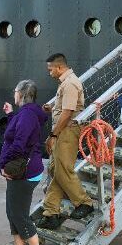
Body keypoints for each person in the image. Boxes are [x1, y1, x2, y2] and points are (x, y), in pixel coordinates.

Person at [0, 80, 48, 245]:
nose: (13, 93)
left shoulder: (27, 114)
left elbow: (19, 143)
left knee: (20, 215)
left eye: (15, 91)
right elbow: (16, 132)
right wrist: (10, 115)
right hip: (21, 171)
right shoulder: (25, 113)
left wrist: (3, 164)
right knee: (13, 213)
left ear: (22, 93)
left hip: (24, 172)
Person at [38, 53, 93, 230]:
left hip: (67, 131)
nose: (49, 72)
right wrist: (53, 108)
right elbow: (66, 108)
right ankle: (51, 213)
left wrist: (53, 135)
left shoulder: (70, 83)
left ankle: (84, 203)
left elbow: (68, 112)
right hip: (64, 130)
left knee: (63, 170)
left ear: (59, 67)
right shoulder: (66, 83)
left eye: (50, 69)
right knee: (55, 169)